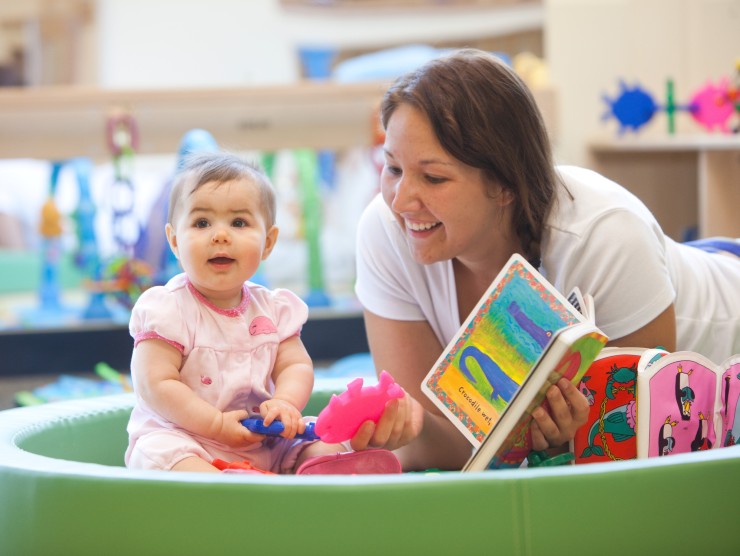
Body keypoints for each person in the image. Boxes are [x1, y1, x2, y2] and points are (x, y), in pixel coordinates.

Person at [350, 48, 740, 472]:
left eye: (434, 177)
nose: (402, 200)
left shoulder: (607, 238)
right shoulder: (385, 229)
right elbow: (443, 440)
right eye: (392, 168)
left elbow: (637, 445)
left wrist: (555, 448)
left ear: (505, 185)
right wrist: (406, 431)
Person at [125, 151, 391, 474]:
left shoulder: (275, 310)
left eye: (238, 222)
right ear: (174, 241)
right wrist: (215, 424)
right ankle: (224, 488)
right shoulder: (167, 308)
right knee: (157, 454)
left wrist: (285, 403)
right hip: (188, 439)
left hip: (262, 442)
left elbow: (295, 364)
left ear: (268, 242)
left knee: (318, 436)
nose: (220, 235)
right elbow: (155, 384)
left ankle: (320, 469)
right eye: (201, 222)